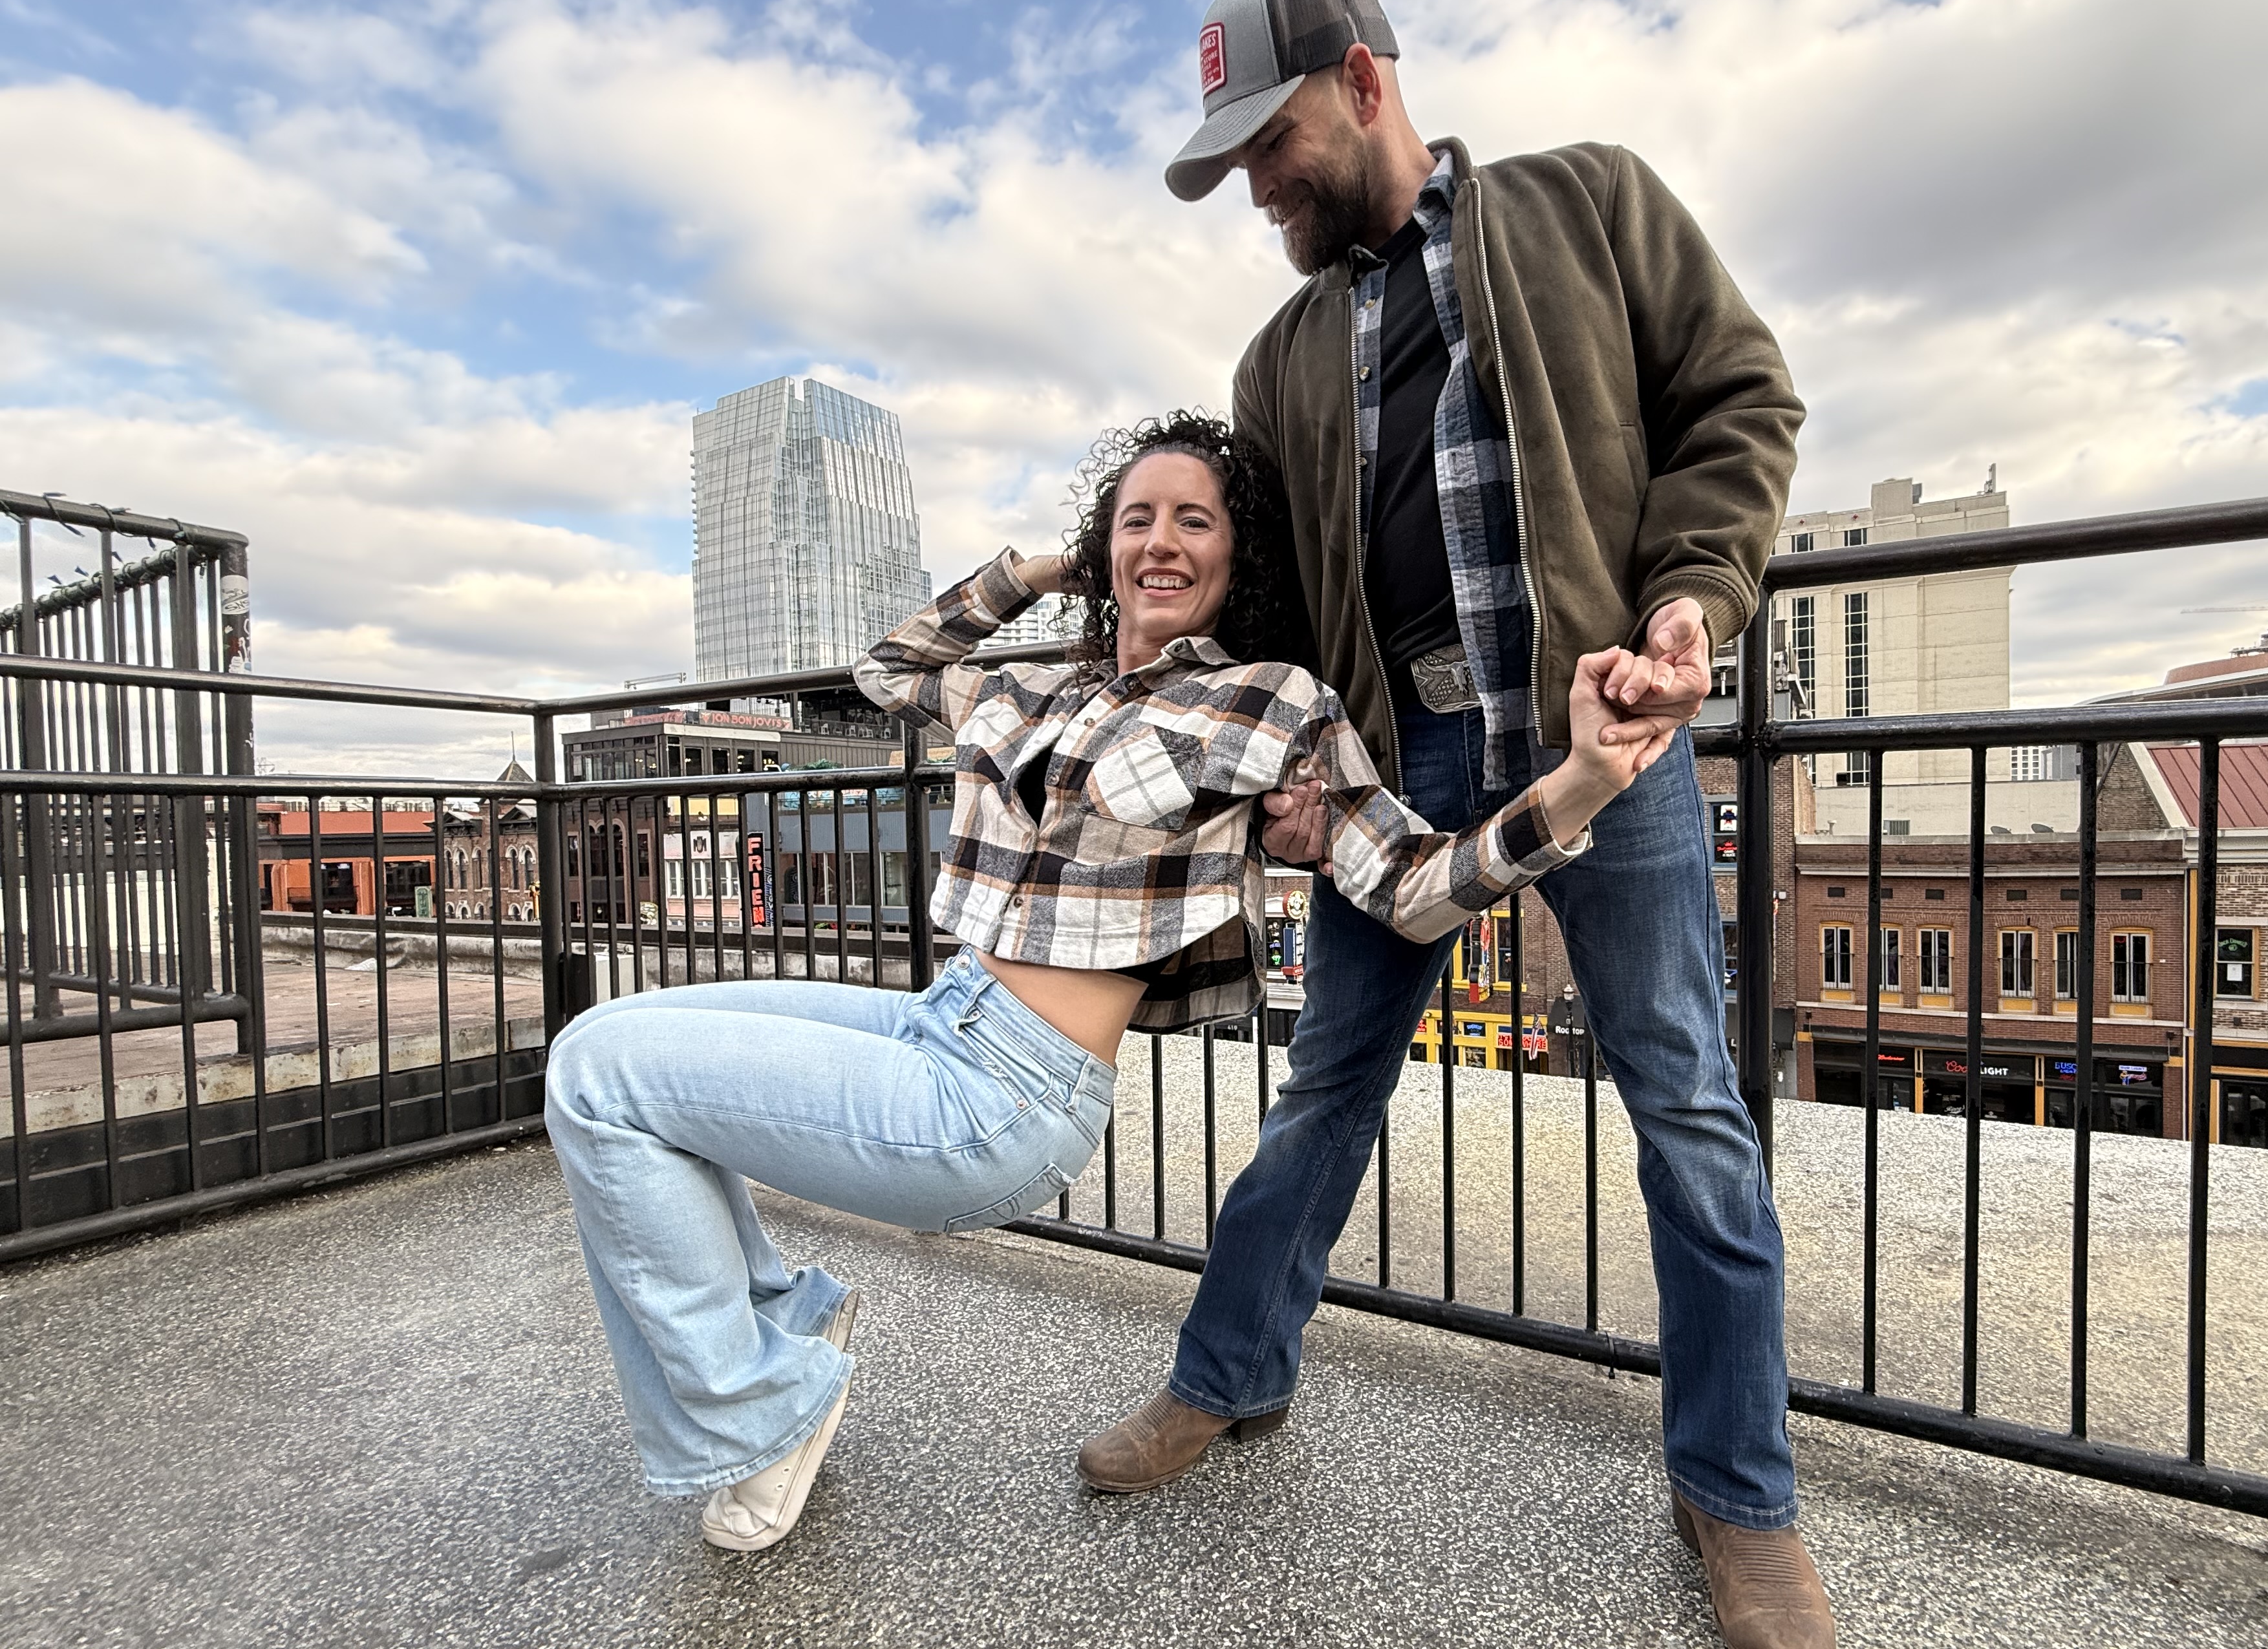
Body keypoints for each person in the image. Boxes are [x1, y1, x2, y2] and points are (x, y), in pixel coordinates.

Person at [1076, 0, 1835, 1649]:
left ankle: (1738, 1491)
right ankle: (1229, 1373)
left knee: (1687, 1107)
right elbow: (1260, 593)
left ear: (1360, 81)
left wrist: (1690, 604)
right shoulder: (1279, 354)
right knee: (1327, 1083)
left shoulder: (1590, 206)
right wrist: (1266, 760)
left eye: (1265, 143)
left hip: (1599, 729)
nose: (1253, 185)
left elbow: (1743, 407)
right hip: (1391, 747)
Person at [543, 413, 1671, 1556]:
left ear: (1240, 557)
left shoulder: (1270, 704)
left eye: (1197, 521)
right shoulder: (1034, 692)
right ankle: (789, 1335)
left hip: (1007, 1097)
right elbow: (886, 670)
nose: (1164, 543)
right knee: (616, 1034)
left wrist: (1576, 788)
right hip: (941, 1017)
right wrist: (1044, 568)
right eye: (1138, 520)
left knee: (597, 1078)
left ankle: (760, 1407)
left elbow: (1413, 889)